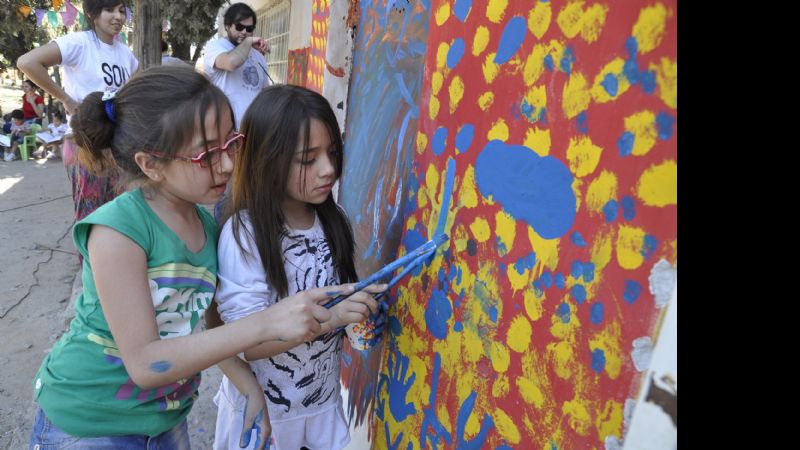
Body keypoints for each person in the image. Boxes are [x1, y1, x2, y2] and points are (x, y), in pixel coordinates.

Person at [27, 65, 383, 449]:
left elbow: (216, 332)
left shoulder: (207, 225)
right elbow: (146, 364)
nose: (229, 164)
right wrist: (268, 323)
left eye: (231, 143)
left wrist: (249, 388)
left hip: (165, 418)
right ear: (151, 165)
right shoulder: (117, 231)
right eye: (207, 155)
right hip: (88, 422)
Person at [212, 85, 386, 450]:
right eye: (308, 159)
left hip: (322, 408)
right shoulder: (246, 234)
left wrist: (359, 317)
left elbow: (340, 304)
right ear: (267, 159)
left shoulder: (332, 221)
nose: (328, 169)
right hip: (267, 420)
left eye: (333, 153)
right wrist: (333, 318)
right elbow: (246, 345)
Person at [18, 0, 139, 223]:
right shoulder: (78, 43)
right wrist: (66, 99)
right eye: (109, 10)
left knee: (120, 214)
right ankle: (89, 259)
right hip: (86, 143)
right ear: (92, 13)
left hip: (117, 144)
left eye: (122, 11)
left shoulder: (126, 55)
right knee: (91, 217)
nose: (118, 17)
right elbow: (27, 62)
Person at [203, 2, 271, 129]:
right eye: (240, 27)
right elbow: (231, 63)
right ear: (228, 26)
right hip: (226, 131)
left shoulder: (258, 56)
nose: (245, 32)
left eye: (249, 29)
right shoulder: (216, 47)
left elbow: (264, 94)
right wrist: (249, 41)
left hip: (254, 130)